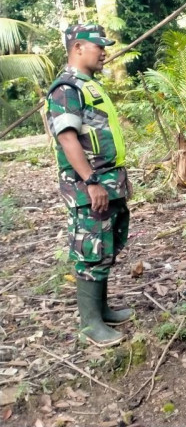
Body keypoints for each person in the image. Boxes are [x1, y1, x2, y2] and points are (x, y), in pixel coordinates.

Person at [45, 23, 134, 347]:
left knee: (105, 248)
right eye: (99, 46)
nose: (104, 52)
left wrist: (117, 182)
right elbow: (67, 139)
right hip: (89, 187)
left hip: (108, 183)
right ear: (79, 47)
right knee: (91, 251)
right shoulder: (66, 88)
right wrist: (92, 181)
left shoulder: (88, 86)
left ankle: (102, 310)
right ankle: (90, 323)